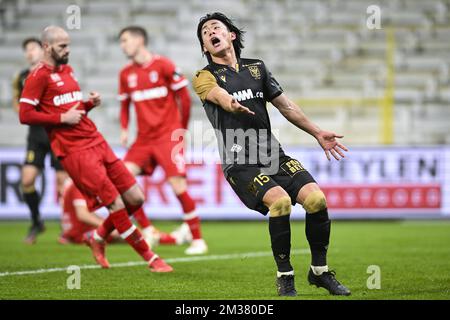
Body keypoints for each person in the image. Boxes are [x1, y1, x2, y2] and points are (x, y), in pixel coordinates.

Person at [193, 12, 351, 296]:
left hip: (272, 155)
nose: (211, 32)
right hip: (240, 163)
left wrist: (317, 132)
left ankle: (319, 272)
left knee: (316, 199)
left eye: (216, 27)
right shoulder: (204, 77)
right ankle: (285, 276)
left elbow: (286, 106)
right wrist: (231, 104)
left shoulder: (257, 68)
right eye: (205, 33)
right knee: (279, 203)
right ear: (206, 47)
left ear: (231, 35)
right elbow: (217, 95)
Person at [19, 26, 172, 272]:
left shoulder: (68, 70)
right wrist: (61, 120)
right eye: (62, 46)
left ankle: (97, 237)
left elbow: (70, 109)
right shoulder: (37, 77)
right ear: (47, 47)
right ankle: (152, 258)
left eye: (68, 45)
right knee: (116, 205)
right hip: (74, 152)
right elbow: (25, 114)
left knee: (136, 198)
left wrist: (88, 104)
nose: (68, 50)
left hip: (96, 141)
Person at [118, 26, 207, 255]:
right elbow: (125, 105)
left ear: (140, 40)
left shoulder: (164, 65)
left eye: (125, 40)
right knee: (123, 179)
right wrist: (125, 129)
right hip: (143, 140)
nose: (122, 45)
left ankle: (197, 239)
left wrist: (181, 130)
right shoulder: (126, 74)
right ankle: (148, 229)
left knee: (178, 185)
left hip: (168, 136)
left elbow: (184, 99)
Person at [12, 37, 68, 244]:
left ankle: (67, 227)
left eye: (32, 48)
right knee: (26, 180)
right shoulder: (21, 77)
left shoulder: (55, 72)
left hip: (56, 133)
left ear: (43, 50)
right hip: (36, 136)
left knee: (63, 184)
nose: (29, 53)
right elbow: (19, 107)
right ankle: (36, 221)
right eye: (26, 49)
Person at [59, 178, 188, 247]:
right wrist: (106, 227)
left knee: (126, 233)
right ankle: (175, 238)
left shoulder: (70, 183)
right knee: (129, 231)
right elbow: (82, 214)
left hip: (72, 233)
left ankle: (173, 238)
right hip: (82, 234)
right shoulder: (78, 183)